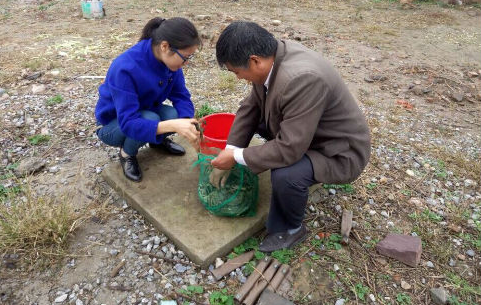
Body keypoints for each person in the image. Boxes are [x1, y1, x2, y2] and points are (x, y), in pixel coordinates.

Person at [211, 21, 371, 252]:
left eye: (237, 72)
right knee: (261, 128)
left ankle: (290, 229)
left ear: (254, 60)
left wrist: (236, 157)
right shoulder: (273, 57)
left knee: (286, 173)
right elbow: (250, 108)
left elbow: (288, 150)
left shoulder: (301, 78)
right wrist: (231, 148)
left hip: (338, 151)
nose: (237, 78)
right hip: (309, 133)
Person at [95, 17, 201, 182]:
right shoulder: (125, 68)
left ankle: (156, 141)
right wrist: (173, 126)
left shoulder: (170, 63)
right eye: (185, 57)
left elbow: (181, 96)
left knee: (175, 115)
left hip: (145, 110)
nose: (186, 63)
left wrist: (187, 122)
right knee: (154, 119)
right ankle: (127, 153)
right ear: (165, 46)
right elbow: (129, 122)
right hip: (114, 125)